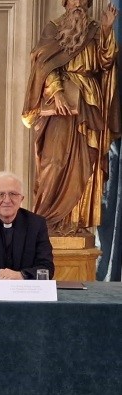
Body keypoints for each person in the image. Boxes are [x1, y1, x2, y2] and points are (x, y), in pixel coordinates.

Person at [21, 0, 120, 235]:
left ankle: (75, 223)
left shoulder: (95, 29)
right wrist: (57, 92)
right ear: (65, 3)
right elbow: (43, 63)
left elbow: (105, 63)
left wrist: (107, 30)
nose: (78, 3)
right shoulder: (53, 28)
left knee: (84, 164)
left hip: (88, 104)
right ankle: (45, 219)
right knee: (53, 162)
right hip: (59, 106)